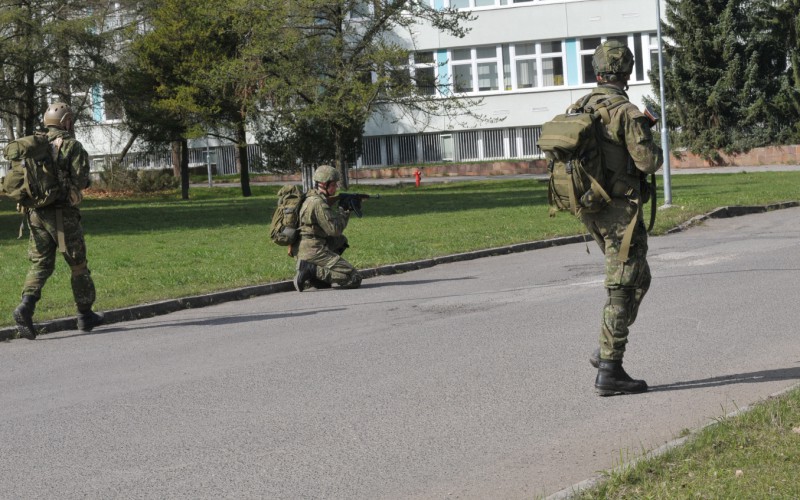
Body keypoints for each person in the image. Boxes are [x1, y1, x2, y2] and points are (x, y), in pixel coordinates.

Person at [580, 41, 663, 395]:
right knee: (621, 288)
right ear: (626, 72)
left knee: (639, 278)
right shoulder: (625, 112)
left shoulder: (582, 107)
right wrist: (650, 132)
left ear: (597, 70)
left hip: (592, 209)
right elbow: (648, 162)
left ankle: (605, 350)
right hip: (620, 213)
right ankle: (609, 370)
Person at [13, 102, 104, 339]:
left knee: (40, 263)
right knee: (78, 265)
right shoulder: (72, 146)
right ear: (66, 121)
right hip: (62, 215)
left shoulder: (33, 144)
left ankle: (26, 306)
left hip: (35, 214)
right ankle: (85, 315)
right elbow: (82, 180)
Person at [292, 165, 362, 292]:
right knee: (354, 278)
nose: (336, 187)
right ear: (324, 184)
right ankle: (311, 270)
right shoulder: (318, 203)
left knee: (341, 240)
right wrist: (344, 210)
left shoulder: (310, 197)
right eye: (334, 184)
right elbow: (334, 230)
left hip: (303, 247)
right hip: (313, 249)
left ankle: (316, 279)